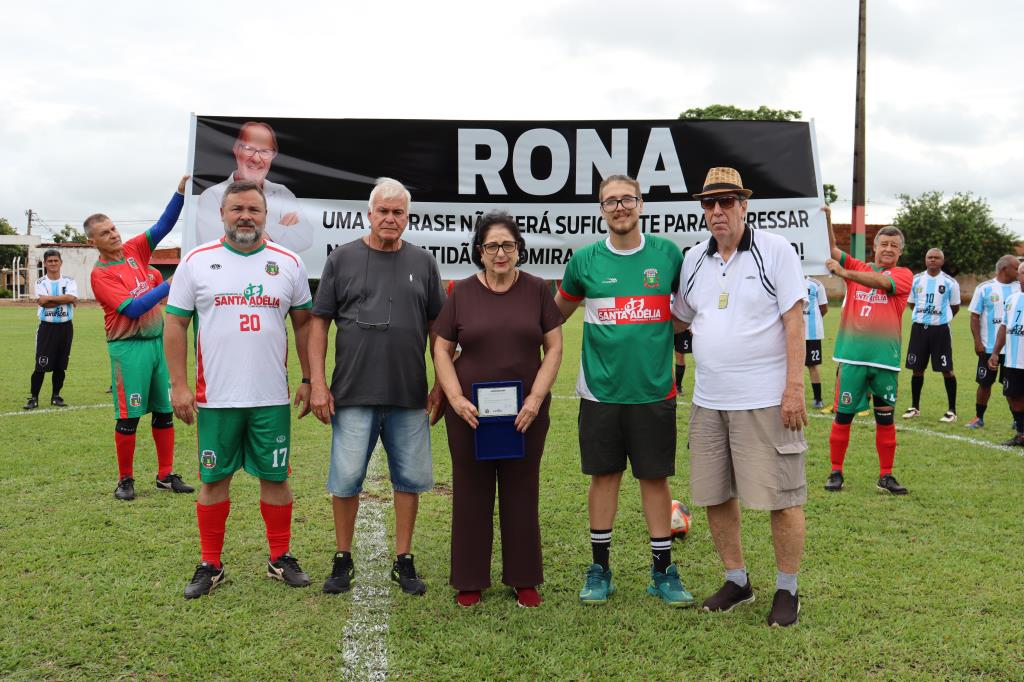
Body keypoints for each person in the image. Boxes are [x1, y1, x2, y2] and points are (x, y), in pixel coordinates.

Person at [672, 167, 808, 627]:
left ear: (744, 205)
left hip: (767, 400)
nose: (717, 211)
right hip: (708, 401)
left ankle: (787, 589)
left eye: (726, 202)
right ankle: (738, 581)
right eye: (709, 204)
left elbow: (795, 320)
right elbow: (680, 319)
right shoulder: (693, 259)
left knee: (782, 497)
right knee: (715, 495)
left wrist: (793, 388)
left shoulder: (776, 251)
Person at [165, 180, 314, 599]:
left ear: (265, 215)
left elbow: (304, 323)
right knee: (214, 480)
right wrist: (178, 385)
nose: (245, 216)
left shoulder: (288, 262)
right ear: (222, 214)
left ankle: (279, 557)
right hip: (216, 399)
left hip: (271, 397)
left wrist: (308, 378)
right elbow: (174, 323)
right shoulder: (197, 260)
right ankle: (210, 563)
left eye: (254, 209)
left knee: (276, 477)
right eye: (237, 209)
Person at [555, 173, 692, 607]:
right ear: (601, 209)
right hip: (601, 393)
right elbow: (553, 316)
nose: (619, 207)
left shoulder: (667, 255)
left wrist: (652, 332)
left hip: (654, 393)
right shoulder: (584, 262)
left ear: (641, 204)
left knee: (655, 479)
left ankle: (662, 572)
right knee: (604, 477)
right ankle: (600, 569)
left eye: (626, 200)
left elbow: (685, 314)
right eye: (610, 201)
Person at [309, 177, 446, 597]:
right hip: (351, 393)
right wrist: (317, 382)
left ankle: (403, 559)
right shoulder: (341, 259)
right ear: (369, 214)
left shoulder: (423, 262)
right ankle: (342, 558)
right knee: (346, 479)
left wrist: (441, 385)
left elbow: (441, 331)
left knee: (409, 480)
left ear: (408, 216)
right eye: (383, 211)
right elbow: (319, 323)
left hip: (408, 395)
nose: (390, 218)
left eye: (398, 212)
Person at [433, 211, 563, 608]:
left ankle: (523, 579)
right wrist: (454, 398)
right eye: (492, 246)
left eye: (508, 245)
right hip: (469, 413)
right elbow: (440, 347)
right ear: (479, 252)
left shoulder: (539, 290)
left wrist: (536, 399)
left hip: (525, 412)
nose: (501, 252)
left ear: (519, 249)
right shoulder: (462, 293)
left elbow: (554, 346)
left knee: (521, 490)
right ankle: (470, 579)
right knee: (471, 491)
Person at [86, 176, 194, 501]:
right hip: (128, 348)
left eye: (114, 228)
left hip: (157, 343)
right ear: (93, 241)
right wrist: (169, 284)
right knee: (129, 417)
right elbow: (133, 309)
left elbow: (163, 226)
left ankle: (164, 475)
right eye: (105, 233)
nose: (114, 234)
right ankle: (125, 480)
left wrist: (179, 193)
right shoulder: (100, 274)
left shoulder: (133, 250)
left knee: (163, 411)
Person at [823, 208, 913, 495]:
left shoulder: (903, 275)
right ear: (875, 247)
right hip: (852, 358)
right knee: (843, 416)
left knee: (885, 417)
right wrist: (825, 219)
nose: (888, 249)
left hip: (885, 361)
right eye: (884, 244)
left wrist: (844, 272)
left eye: (894, 246)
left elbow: (881, 283)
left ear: (900, 252)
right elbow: (832, 250)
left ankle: (885, 475)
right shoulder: (860, 268)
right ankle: (836, 471)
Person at [196, 121, 313, 253]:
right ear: (236, 150)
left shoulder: (283, 193)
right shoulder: (211, 196)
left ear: (273, 155)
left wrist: (249, 237)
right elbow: (215, 244)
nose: (256, 159)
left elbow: (305, 237)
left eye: (265, 151)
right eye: (249, 149)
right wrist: (280, 230)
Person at [902, 248, 961, 422]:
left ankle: (952, 410)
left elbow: (955, 307)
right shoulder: (916, 280)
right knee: (917, 369)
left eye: (936, 258)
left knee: (947, 370)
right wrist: (924, 317)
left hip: (940, 330)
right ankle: (914, 407)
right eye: (930, 257)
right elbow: (912, 303)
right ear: (925, 260)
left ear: (942, 261)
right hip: (919, 329)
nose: (933, 260)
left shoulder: (950, 283)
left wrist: (940, 319)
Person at [966, 255, 1018, 429]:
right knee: (984, 383)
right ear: (1005, 269)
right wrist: (977, 342)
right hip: (988, 347)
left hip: (1013, 349)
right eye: (1016, 268)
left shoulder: (1020, 289)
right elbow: (974, 316)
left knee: (1012, 387)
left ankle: (1018, 420)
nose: (1019, 272)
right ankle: (978, 417)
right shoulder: (985, 288)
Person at [25, 250, 77, 410]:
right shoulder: (40, 282)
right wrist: (65, 300)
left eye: (56, 260)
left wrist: (50, 298)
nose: (53, 263)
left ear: (61, 262)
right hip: (47, 328)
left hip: (65, 327)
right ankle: (33, 398)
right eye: (50, 261)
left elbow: (70, 297)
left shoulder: (69, 280)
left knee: (61, 365)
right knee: (41, 364)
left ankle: (56, 396)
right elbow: (43, 303)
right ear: (45, 263)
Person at [988, 261, 1024, 447]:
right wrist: (995, 352)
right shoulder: (1012, 300)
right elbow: (1004, 327)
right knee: (1012, 395)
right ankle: (1022, 433)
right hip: (1012, 359)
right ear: (1018, 277)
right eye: (1022, 273)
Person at [804, 275, 828, 410]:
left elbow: (823, 308)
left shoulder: (816, 284)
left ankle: (818, 398)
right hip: (791, 333)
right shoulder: (786, 279)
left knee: (812, 365)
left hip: (811, 334)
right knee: (787, 366)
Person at [673, 328, 692, 398]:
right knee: (663, 356)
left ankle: (677, 386)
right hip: (666, 325)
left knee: (680, 356)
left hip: (683, 327)